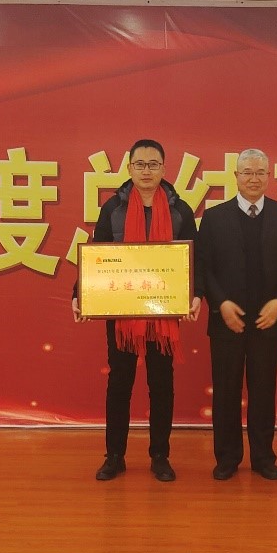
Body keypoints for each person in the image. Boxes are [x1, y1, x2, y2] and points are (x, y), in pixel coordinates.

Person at [72, 139, 201, 482]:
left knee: (161, 382)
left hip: (163, 310)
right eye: (140, 164)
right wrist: (79, 293)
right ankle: (114, 456)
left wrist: (196, 294)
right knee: (120, 382)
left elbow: (195, 258)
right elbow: (97, 254)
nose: (146, 171)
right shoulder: (113, 207)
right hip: (123, 309)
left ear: (164, 168)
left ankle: (160, 455)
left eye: (153, 164)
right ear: (129, 168)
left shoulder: (180, 210)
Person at [195, 149, 277, 481]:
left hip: (269, 320)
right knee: (226, 392)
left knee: (263, 392)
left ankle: (263, 457)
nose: (253, 178)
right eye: (247, 172)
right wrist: (221, 303)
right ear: (236, 176)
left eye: (260, 172)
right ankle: (227, 458)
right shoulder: (214, 217)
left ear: (268, 176)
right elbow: (203, 266)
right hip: (226, 320)